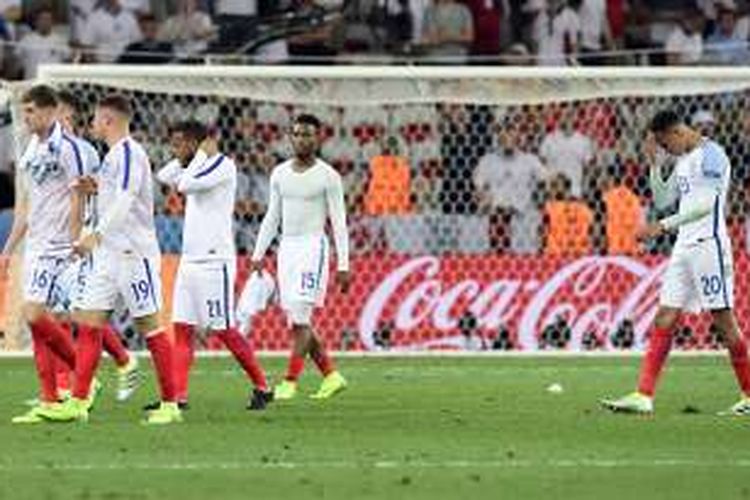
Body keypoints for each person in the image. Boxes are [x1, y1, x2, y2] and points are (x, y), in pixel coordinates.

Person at [37, 94, 180, 425]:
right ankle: (78, 401)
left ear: (109, 121)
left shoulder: (130, 152)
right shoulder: (114, 156)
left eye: (97, 119)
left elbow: (128, 198)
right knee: (89, 323)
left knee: (150, 326)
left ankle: (170, 404)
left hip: (133, 254)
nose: (93, 125)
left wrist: (95, 234)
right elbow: (116, 191)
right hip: (107, 255)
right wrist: (96, 186)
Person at [601, 110, 750, 415]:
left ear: (676, 133)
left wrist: (662, 226)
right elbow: (661, 198)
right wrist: (655, 163)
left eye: (665, 145)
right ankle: (644, 395)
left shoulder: (713, 155)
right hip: (684, 247)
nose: (666, 150)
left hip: (709, 245)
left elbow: (705, 205)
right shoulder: (682, 160)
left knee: (723, 322)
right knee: (664, 317)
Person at [154, 120, 272, 411]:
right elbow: (163, 174)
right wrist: (190, 156)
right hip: (189, 260)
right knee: (182, 328)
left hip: (214, 261)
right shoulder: (194, 164)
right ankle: (178, 396)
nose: (175, 148)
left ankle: (262, 385)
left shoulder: (222, 165)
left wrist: (201, 155)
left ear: (199, 143)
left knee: (224, 329)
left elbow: (184, 184)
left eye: (180, 143)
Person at [251, 114, 349, 401]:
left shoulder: (328, 176)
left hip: (312, 248)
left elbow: (339, 222)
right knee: (296, 321)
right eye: (297, 133)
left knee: (302, 318)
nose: (302, 139)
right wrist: (258, 252)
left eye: (307, 134)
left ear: (318, 138)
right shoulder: (279, 173)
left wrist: (343, 264)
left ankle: (290, 381)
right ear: (289, 137)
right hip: (287, 249)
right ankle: (331, 376)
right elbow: (272, 215)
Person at [2, 86, 81, 424]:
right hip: (36, 245)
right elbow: (27, 207)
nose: (26, 117)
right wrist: (8, 250)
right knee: (37, 325)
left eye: (32, 111)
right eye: (24, 111)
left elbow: (81, 197)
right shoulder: (32, 148)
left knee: (38, 316)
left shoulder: (69, 148)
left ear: (50, 111)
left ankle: (83, 371)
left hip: (61, 247)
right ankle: (49, 399)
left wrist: (78, 243)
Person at [55, 90, 140, 403]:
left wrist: (78, 238)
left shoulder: (82, 151)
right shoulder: (52, 150)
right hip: (60, 238)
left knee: (69, 314)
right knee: (69, 313)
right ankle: (114, 364)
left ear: (65, 116)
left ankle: (70, 385)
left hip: (84, 241)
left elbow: (86, 198)